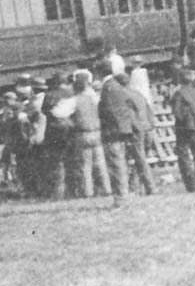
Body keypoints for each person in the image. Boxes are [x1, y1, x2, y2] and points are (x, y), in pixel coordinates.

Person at [53, 70, 111, 199]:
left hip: (82, 134)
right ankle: (107, 189)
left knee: (85, 165)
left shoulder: (74, 100)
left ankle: (88, 192)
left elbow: (57, 113)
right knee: (101, 163)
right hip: (97, 132)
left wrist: (70, 122)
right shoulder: (93, 98)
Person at [97, 64, 137, 206]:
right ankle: (123, 194)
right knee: (120, 163)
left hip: (113, 131)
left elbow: (108, 111)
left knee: (116, 164)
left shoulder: (108, 87)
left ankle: (121, 197)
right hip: (121, 129)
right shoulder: (116, 85)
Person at [40, 73, 73, 199]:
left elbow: (44, 111)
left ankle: (58, 192)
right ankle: (72, 190)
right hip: (70, 129)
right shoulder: (72, 93)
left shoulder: (50, 95)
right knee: (71, 160)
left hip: (54, 131)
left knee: (56, 162)